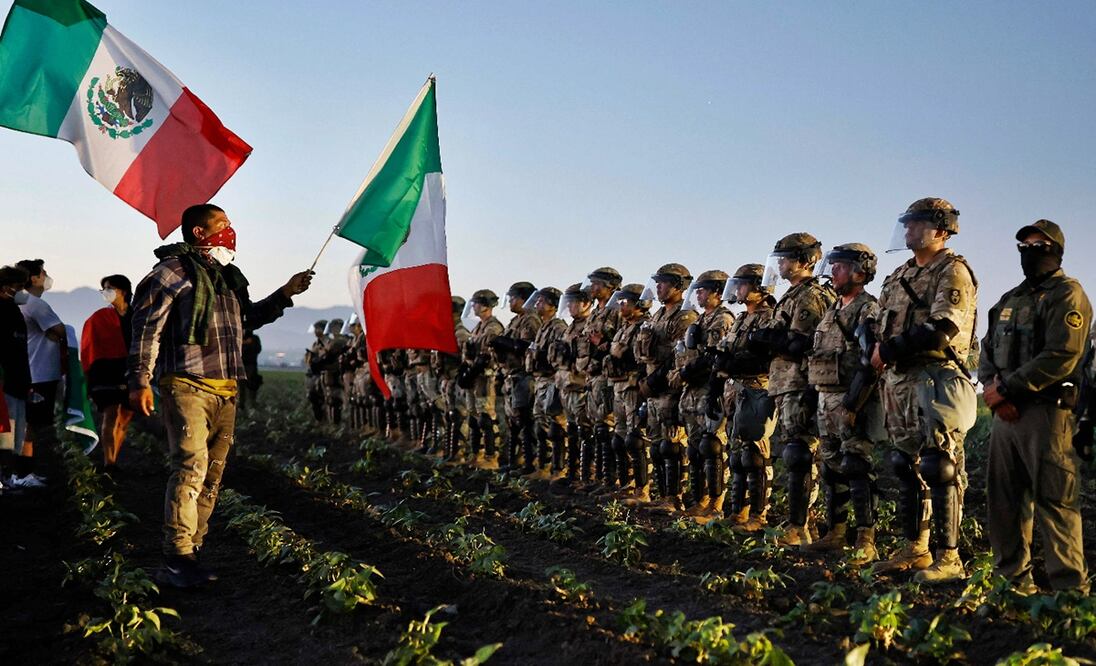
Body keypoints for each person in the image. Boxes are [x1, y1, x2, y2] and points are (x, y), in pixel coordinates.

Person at [128, 203, 312, 588]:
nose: (231, 230)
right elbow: (146, 330)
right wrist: (140, 380)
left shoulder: (229, 278)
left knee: (212, 475)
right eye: (223, 224)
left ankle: (192, 551)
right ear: (199, 232)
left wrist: (285, 293)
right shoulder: (170, 273)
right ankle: (176, 556)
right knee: (190, 467)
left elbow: (247, 319)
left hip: (227, 387)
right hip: (187, 384)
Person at [980, 220, 1091, 594]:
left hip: (1047, 414)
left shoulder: (1067, 295)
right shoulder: (1009, 299)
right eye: (1024, 245)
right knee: (1004, 503)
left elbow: (1061, 355)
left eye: (1038, 245)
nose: (1030, 251)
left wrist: (1008, 390)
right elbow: (986, 349)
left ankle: (1069, 598)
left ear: (1055, 250)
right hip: (1005, 418)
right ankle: (1012, 586)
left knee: (1055, 504)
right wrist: (994, 390)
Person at [871, 197, 978, 583]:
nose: (909, 230)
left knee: (940, 465)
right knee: (905, 465)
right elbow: (881, 324)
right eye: (907, 223)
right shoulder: (899, 275)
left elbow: (942, 328)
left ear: (942, 230)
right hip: (899, 380)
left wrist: (890, 349)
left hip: (935, 376)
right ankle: (914, 547)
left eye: (918, 224)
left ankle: (948, 558)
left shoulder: (952, 271)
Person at [747, 233, 835, 546]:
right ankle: (802, 524)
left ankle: (799, 527)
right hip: (786, 381)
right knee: (796, 451)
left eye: (784, 258)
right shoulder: (793, 294)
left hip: (801, 380)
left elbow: (800, 342)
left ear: (802, 261)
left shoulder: (808, 295)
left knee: (800, 453)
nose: (780, 265)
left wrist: (769, 340)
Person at [803, 245, 884, 564]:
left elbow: (870, 362)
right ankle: (835, 532)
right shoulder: (832, 310)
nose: (832, 271)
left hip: (852, 399)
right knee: (830, 465)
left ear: (859, 271)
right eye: (832, 265)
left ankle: (866, 537)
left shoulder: (867, 309)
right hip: (826, 398)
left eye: (839, 266)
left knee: (857, 464)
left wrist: (853, 404)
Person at [715, 264, 778, 531]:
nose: (737, 289)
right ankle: (737, 512)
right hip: (736, 393)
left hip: (757, 390)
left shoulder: (769, 317)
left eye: (742, 284)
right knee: (737, 456)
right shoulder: (741, 319)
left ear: (758, 288)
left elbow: (767, 357)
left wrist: (736, 362)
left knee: (755, 455)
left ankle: (758, 515)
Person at [632, 263, 698, 510]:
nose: (658, 287)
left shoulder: (684, 316)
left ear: (678, 286)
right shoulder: (658, 315)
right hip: (653, 389)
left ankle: (674, 497)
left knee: (672, 446)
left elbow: (678, 356)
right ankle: (661, 495)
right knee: (657, 446)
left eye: (663, 283)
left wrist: (653, 381)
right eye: (657, 283)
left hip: (669, 387)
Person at [675, 270, 734, 519]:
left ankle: (715, 504)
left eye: (702, 290)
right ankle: (699, 501)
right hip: (692, 392)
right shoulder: (699, 321)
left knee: (713, 447)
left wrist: (687, 372)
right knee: (695, 448)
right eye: (697, 291)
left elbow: (713, 357)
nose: (698, 295)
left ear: (717, 292)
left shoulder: (722, 319)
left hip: (710, 390)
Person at [14, 258, 67, 487]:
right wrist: (57, 333)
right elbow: (59, 330)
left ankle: (22, 473)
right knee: (30, 426)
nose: (46, 277)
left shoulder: (18, 301)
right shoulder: (35, 304)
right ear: (34, 278)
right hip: (39, 373)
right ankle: (22, 475)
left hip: (28, 370)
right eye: (43, 273)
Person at [80, 275, 135, 471]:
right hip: (105, 372)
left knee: (126, 417)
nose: (106, 292)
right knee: (110, 414)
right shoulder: (98, 318)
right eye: (104, 288)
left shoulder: (136, 316)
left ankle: (114, 458)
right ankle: (108, 462)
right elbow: (88, 347)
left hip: (130, 371)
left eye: (110, 288)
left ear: (124, 291)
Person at [605, 284, 652, 500]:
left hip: (633, 387)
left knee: (636, 439)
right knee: (619, 438)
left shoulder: (644, 326)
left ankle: (642, 490)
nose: (620, 306)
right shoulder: (624, 328)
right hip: (618, 386)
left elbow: (641, 359)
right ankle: (626, 484)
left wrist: (621, 355)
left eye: (625, 302)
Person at [578, 267, 623, 492]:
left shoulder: (616, 311)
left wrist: (601, 345)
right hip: (592, 376)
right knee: (596, 428)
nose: (592, 287)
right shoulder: (596, 312)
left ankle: (610, 481)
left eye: (597, 283)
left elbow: (619, 345)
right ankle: (596, 478)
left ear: (609, 287)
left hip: (607, 375)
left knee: (607, 429)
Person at [548, 283, 595, 491]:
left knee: (587, 433)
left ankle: (587, 476)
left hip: (581, 387)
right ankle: (573, 473)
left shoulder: (590, 326)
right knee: (572, 431)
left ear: (586, 303)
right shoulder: (571, 327)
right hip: (566, 386)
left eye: (574, 303)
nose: (570, 307)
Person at [490, 282, 541, 471]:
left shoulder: (530, 320)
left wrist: (507, 343)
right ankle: (514, 462)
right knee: (513, 422)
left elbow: (528, 346)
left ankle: (530, 464)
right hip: (511, 375)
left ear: (523, 299)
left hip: (523, 375)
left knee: (525, 421)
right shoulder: (515, 321)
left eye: (513, 298)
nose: (510, 302)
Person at [523, 288, 567, 477]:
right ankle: (544, 467)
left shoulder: (558, 327)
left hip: (551, 381)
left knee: (555, 427)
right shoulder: (543, 326)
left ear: (552, 305)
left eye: (541, 301)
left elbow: (559, 358)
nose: (537, 305)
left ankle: (558, 469)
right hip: (540, 380)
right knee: (540, 426)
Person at [458, 289, 504, 468]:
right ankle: (476, 454)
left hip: (485, 377)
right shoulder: (478, 326)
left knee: (486, 417)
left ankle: (491, 457)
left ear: (485, 306)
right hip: (475, 377)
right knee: (474, 417)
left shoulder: (493, 326)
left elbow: (486, 348)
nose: (473, 307)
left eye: (476, 303)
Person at [0, 266, 31, 492]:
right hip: (6, 383)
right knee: (5, 434)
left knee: (13, 434)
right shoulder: (3, 311)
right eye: (19, 287)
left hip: (17, 381)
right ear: (6, 288)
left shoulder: (13, 310)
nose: (23, 292)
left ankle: (7, 477)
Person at [304, 320, 328, 422]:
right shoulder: (315, 343)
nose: (316, 331)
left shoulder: (327, 342)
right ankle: (319, 419)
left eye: (318, 329)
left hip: (323, 372)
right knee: (313, 397)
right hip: (314, 374)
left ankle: (324, 418)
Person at [239, 329, 262, 413]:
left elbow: (258, 350)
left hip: (250, 365)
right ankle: (242, 405)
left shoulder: (254, 339)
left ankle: (252, 404)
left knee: (252, 386)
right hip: (242, 365)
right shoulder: (240, 338)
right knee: (242, 387)